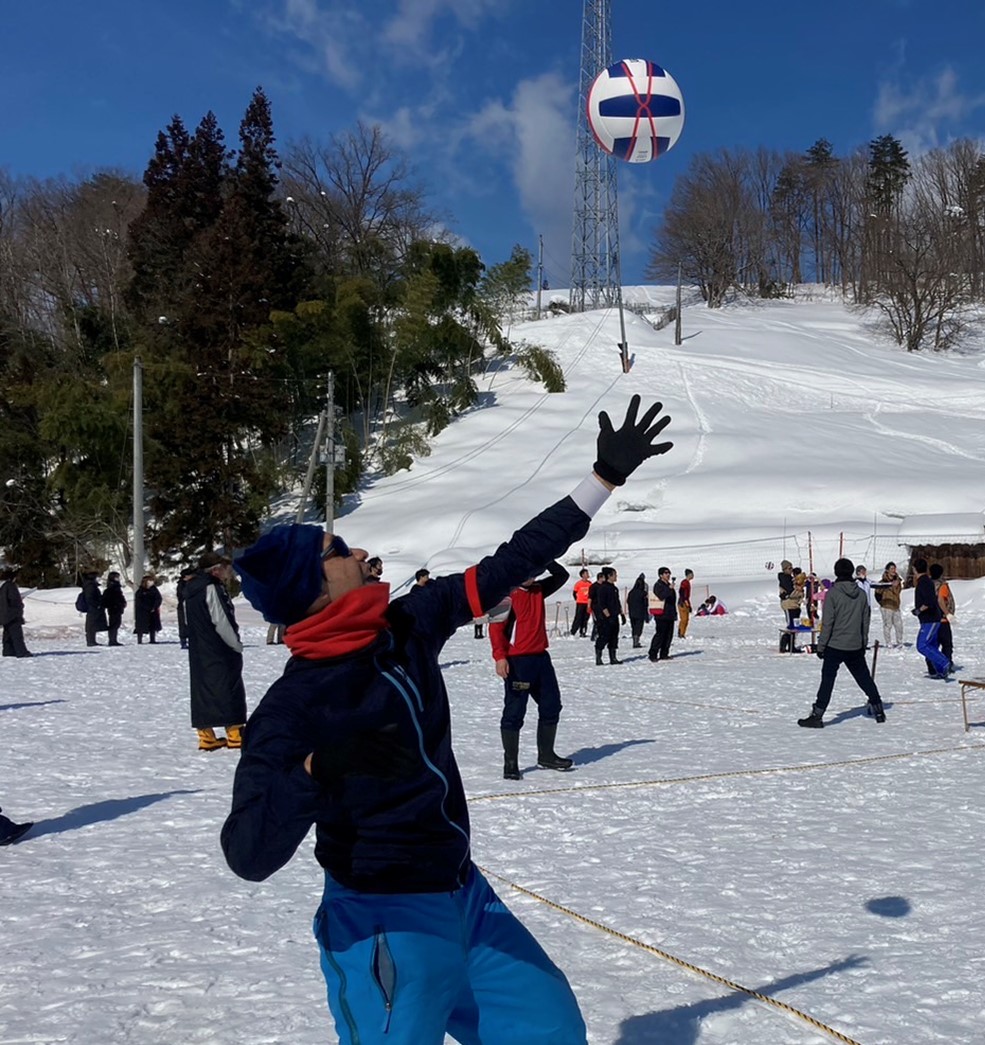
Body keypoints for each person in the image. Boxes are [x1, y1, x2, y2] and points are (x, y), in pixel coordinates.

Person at [222, 394, 670, 1045]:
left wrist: (601, 479)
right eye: (338, 548)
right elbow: (248, 852)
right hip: (382, 921)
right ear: (310, 588)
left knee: (549, 1028)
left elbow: (511, 562)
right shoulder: (294, 707)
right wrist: (317, 769)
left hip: (465, 896)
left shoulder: (408, 622)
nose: (357, 550)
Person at [490, 561, 573, 776]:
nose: (533, 577)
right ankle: (510, 763)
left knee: (552, 705)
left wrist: (544, 558)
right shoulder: (505, 595)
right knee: (515, 711)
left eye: (535, 572)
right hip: (518, 662)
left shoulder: (538, 589)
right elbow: (496, 629)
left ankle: (546, 755)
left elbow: (561, 575)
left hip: (541, 659)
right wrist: (500, 657)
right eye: (529, 572)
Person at [797, 558, 887, 727]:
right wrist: (863, 642)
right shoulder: (860, 594)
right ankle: (878, 709)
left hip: (835, 645)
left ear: (837, 573)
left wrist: (821, 646)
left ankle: (817, 715)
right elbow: (865, 621)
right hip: (855, 644)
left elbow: (828, 623)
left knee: (828, 680)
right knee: (864, 678)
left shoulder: (833, 593)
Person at [184, 551, 247, 751]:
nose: (230, 573)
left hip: (199, 647)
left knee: (202, 688)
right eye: (227, 568)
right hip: (219, 646)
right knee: (228, 686)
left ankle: (206, 735)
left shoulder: (191, 588)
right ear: (216, 569)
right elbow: (220, 619)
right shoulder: (211, 587)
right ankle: (235, 733)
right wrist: (235, 644)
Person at [912, 557, 952, 679]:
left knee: (922, 645)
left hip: (930, 619)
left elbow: (930, 601)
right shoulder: (926, 581)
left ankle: (944, 662)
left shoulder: (923, 583)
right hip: (931, 618)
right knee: (932, 645)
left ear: (914, 569)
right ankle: (939, 670)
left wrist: (919, 610)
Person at [591, 567, 624, 666]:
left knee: (614, 636)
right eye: (614, 574)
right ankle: (598, 657)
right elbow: (602, 603)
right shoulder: (603, 588)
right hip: (605, 618)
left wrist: (621, 614)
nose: (616, 576)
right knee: (604, 636)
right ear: (609, 575)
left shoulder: (614, 588)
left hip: (615, 615)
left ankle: (613, 658)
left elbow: (617, 602)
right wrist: (607, 615)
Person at [1, 566, 33, 657]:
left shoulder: (2, 586)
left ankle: (8, 651)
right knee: (16, 634)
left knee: (7, 634)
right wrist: (20, 606)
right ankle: (21, 652)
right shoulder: (10, 585)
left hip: (4, 614)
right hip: (12, 614)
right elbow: (14, 600)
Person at [649, 566, 677, 662]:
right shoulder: (658, 585)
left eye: (669, 573)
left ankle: (664, 653)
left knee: (669, 635)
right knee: (660, 635)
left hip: (669, 614)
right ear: (661, 575)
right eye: (666, 573)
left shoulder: (669, 585)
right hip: (661, 614)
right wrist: (669, 589)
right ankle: (653, 654)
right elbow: (661, 596)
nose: (668, 575)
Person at [874, 562, 904, 648]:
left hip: (896, 605)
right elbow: (877, 594)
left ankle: (899, 642)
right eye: (891, 569)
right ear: (887, 570)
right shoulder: (882, 582)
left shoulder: (898, 581)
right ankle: (888, 642)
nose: (894, 570)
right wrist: (882, 603)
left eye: (894, 568)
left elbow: (898, 591)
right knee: (888, 625)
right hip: (886, 606)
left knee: (899, 625)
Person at [77, 570, 107, 646]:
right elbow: (90, 598)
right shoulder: (90, 586)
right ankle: (91, 641)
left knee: (92, 625)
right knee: (91, 625)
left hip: (93, 608)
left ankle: (92, 640)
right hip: (92, 608)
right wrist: (96, 605)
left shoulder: (90, 585)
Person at [133, 574, 163, 645]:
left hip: (153, 610)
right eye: (149, 581)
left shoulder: (154, 590)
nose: (151, 582)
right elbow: (139, 602)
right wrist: (147, 607)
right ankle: (139, 640)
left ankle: (152, 639)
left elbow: (159, 598)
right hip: (143, 612)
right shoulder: (140, 591)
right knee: (141, 625)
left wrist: (154, 606)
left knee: (153, 625)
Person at [102, 571, 127, 646]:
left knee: (117, 624)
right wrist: (115, 604)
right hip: (113, 608)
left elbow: (120, 596)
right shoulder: (111, 588)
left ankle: (114, 639)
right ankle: (112, 640)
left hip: (118, 608)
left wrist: (123, 603)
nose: (118, 579)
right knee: (113, 624)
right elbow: (108, 599)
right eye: (116, 577)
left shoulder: (117, 587)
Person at [175, 567, 196, 649]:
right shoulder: (182, 585)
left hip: (191, 606)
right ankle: (183, 640)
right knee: (183, 624)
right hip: (183, 607)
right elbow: (181, 596)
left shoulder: (192, 583)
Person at [627, 573, 651, 647]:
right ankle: (636, 641)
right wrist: (646, 616)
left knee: (634, 627)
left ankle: (635, 640)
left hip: (632, 612)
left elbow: (628, 601)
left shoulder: (631, 592)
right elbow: (645, 604)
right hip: (640, 613)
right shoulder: (643, 593)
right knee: (639, 627)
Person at [570, 568, 592, 637]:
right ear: (582, 575)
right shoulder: (578, 584)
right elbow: (574, 593)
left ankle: (583, 632)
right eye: (586, 573)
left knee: (585, 618)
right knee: (578, 618)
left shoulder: (590, 584)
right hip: (580, 603)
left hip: (587, 603)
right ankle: (573, 631)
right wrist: (577, 599)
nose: (587, 575)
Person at [776, 559, 796, 625]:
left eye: (792, 568)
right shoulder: (784, 579)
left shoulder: (790, 578)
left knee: (795, 619)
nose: (791, 570)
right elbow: (790, 589)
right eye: (790, 568)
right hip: (787, 602)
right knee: (790, 621)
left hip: (793, 602)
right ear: (784, 569)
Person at [677, 568, 694, 638]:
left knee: (686, 619)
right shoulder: (684, 582)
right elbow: (682, 592)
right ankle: (681, 633)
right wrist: (684, 601)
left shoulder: (687, 582)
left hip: (685, 602)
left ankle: (682, 632)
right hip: (683, 602)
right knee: (684, 619)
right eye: (692, 574)